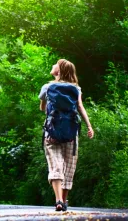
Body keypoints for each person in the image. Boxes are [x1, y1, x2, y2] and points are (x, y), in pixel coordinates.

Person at [38, 59, 94, 211]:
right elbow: (80, 107)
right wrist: (89, 126)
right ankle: (64, 199)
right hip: (71, 132)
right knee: (69, 166)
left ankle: (58, 201)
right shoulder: (76, 88)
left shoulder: (47, 87)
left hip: (52, 132)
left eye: (55, 64)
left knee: (55, 165)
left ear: (59, 71)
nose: (53, 65)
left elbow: (42, 109)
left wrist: (47, 103)